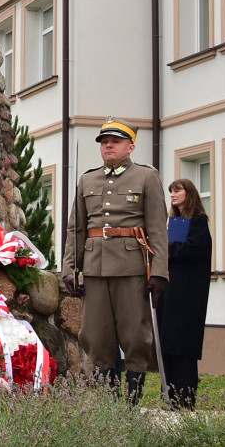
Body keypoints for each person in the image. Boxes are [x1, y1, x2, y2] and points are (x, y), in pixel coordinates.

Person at [62, 118, 169, 404]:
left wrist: (159, 272)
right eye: (104, 142)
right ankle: (110, 406)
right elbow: (76, 229)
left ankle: (131, 405)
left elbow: (158, 229)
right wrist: (70, 269)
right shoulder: (88, 180)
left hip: (132, 269)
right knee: (96, 337)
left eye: (115, 141)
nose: (108, 145)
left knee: (135, 337)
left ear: (130, 147)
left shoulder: (146, 177)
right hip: (95, 270)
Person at [157, 178, 212, 410]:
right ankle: (169, 398)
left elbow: (192, 250)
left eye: (177, 190)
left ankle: (184, 399)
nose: (172, 194)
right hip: (170, 293)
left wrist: (165, 248)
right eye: (171, 191)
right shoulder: (174, 222)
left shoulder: (198, 221)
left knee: (183, 346)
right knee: (167, 343)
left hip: (188, 295)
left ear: (189, 193)